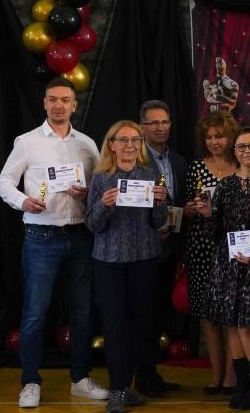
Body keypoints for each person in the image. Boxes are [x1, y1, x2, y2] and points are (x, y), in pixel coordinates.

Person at [0, 78, 107, 408]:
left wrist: (88, 194)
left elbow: (100, 187)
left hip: (81, 236)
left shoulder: (87, 144)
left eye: (65, 100)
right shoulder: (27, 142)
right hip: (41, 236)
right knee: (35, 313)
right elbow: (3, 181)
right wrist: (23, 201)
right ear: (44, 103)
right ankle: (30, 381)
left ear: (75, 105)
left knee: (82, 312)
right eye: (53, 99)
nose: (59, 105)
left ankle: (81, 379)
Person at [85, 120, 169, 413]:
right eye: (124, 140)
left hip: (144, 259)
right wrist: (103, 205)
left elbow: (159, 222)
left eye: (135, 140)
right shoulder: (101, 178)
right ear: (112, 145)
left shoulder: (150, 174)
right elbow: (92, 225)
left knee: (141, 324)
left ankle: (132, 383)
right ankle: (118, 389)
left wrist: (160, 203)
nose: (130, 145)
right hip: (109, 262)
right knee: (115, 325)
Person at [197, 127, 250, 410]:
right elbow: (215, 232)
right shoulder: (225, 185)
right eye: (241, 147)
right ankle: (242, 384)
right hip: (228, 264)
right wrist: (207, 216)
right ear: (234, 151)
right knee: (232, 324)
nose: (247, 152)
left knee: (248, 325)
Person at [182, 110, 238, 394]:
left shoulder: (241, 166)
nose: (214, 142)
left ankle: (231, 376)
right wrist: (191, 210)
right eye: (209, 137)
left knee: (231, 313)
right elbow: (184, 208)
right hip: (200, 247)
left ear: (231, 137)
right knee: (208, 314)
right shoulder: (195, 168)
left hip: (232, 246)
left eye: (220, 136)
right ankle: (215, 375)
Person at [137, 99, 186, 396]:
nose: (160, 127)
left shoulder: (178, 161)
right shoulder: (134, 159)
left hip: (169, 250)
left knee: (158, 316)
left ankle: (151, 375)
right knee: (141, 316)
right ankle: (140, 377)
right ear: (142, 126)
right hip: (142, 249)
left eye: (165, 121)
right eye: (153, 122)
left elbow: (177, 203)